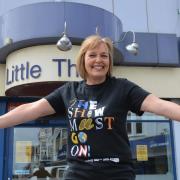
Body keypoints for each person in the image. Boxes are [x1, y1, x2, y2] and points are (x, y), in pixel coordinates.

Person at [1, 35, 180, 180]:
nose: (98, 60)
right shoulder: (69, 92)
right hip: (78, 174)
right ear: (83, 60)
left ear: (109, 61)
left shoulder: (123, 88)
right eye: (92, 55)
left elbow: (159, 105)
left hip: (117, 174)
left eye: (104, 55)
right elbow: (29, 109)